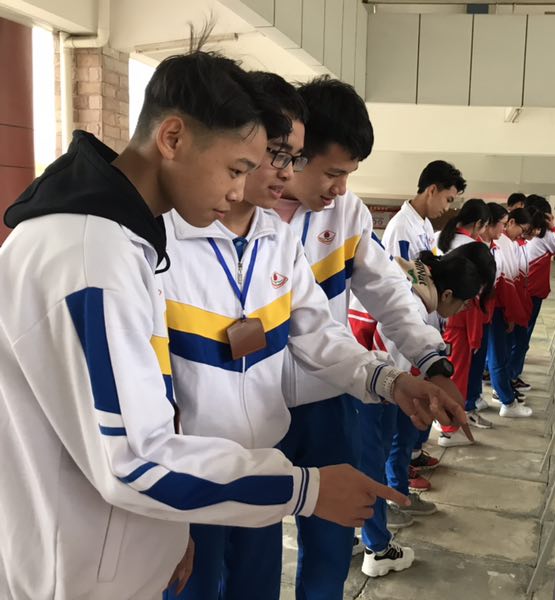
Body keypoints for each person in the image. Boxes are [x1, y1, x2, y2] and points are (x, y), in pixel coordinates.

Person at [0, 47, 414, 600]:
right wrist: (306, 490)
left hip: (134, 530)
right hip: (78, 568)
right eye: (237, 168)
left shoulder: (123, 243)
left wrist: (166, 532)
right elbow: (134, 460)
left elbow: (141, 420)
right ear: (173, 138)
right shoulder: (92, 259)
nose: (241, 190)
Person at [159, 72, 458, 600]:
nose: (336, 187)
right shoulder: (162, 237)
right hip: (200, 449)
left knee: (313, 540)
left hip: (308, 406)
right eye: (281, 157)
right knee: (199, 571)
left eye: (291, 158)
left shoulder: (288, 231)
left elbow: (333, 322)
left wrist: (412, 369)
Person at [273, 76, 467, 599]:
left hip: (327, 395)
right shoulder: (242, 214)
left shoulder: (347, 214)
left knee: (331, 538)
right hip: (253, 405)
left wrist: (432, 362)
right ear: (294, 151)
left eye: (348, 175)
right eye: (332, 172)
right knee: (251, 546)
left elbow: (387, 292)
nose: (339, 188)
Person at [359, 242, 496, 577]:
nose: (463, 310)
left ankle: (354, 535)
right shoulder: (413, 305)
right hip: (369, 393)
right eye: (463, 303)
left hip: (365, 384)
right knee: (370, 467)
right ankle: (377, 549)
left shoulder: (414, 284)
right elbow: (393, 366)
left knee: (363, 463)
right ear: (447, 294)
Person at [348, 159, 467, 499]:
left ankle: (402, 470)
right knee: (382, 432)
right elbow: (398, 286)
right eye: (447, 199)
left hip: (415, 324)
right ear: (432, 190)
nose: (447, 207)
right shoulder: (401, 227)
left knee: (396, 427)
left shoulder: (424, 226)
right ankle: (394, 486)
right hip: (392, 335)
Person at [435, 198, 493, 446]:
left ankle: (445, 422)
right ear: (479, 223)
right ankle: (449, 428)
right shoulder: (473, 248)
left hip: (445, 310)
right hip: (459, 315)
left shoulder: (440, 237)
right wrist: (475, 332)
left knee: (446, 370)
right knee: (456, 373)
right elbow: (475, 293)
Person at [508, 195, 555, 391]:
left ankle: (499, 373)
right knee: (521, 338)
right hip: (531, 293)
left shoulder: (515, 234)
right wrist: (553, 227)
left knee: (510, 335)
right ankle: (510, 377)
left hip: (515, 290)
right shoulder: (545, 236)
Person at [487, 208, 543, 418]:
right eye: (522, 229)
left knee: (497, 353)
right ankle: (505, 400)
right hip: (496, 308)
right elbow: (505, 283)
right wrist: (511, 314)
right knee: (498, 355)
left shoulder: (505, 243)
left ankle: (489, 397)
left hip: (499, 307)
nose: (523, 234)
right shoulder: (499, 243)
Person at [465, 202, 509, 426]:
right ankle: (466, 407)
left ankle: (472, 400)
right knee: (470, 362)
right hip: (472, 314)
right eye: (502, 224)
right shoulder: (472, 248)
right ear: (488, 224)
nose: (504, 229)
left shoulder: (495, 248)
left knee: (478, 360)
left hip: (485, 313)